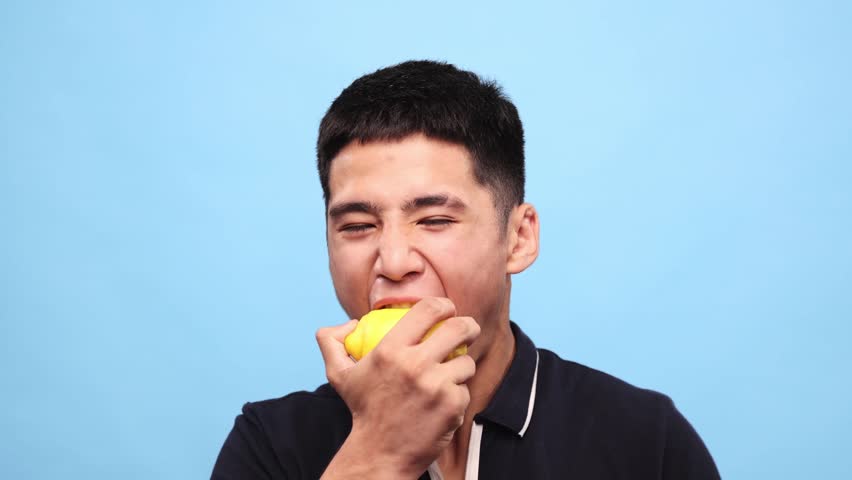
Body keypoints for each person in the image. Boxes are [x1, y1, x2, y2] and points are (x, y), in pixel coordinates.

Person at [211, 60, 720, 480]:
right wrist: (376, 456)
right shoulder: (269, 444)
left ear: (518, 238)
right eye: (359, 226)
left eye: (434, 220)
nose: (393, 262)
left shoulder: (646, 441)